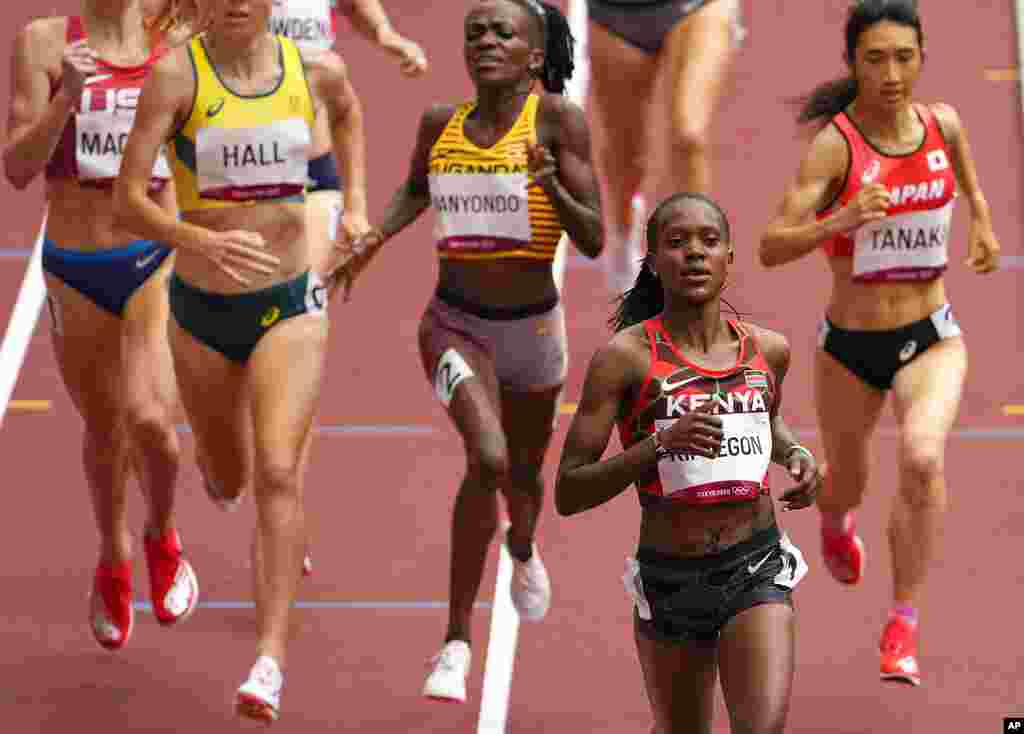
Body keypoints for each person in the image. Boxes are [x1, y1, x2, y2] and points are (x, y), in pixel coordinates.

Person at [333, 0, 603, 703]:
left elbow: (594, 236)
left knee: (523, 476)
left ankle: (523, 546)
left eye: (501, 32)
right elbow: (415, 191)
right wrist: (373, 240)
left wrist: (551, 185)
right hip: (454, 325)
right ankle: (455, 640)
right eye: (474, 32)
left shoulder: (558, 122)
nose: (485, 40)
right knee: (486, 458)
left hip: (534, 332)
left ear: (535, 56)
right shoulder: (439, 124)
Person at [113, 0, 370, 721]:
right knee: (227, 474)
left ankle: (268, 661)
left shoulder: (315, 71)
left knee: (279, 472)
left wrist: (354, 206)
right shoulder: (176, 78)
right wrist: (196, 240)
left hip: (289, 301)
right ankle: (214, 470)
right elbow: (129, 202)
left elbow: (349, 115)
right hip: (201, 311)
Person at [759, 0, 1000, 687]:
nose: (892, 74)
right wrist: (841, 219)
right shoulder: (836, 148)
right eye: (875, 59)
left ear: (922, 57)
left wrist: (983, 225)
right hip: (850, 347)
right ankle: (835, 522)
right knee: (846, 482)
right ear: (852, 63)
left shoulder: (943, 123)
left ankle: (903, 621)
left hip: (931, 336)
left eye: (904, 57)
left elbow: (969, 185)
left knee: (922, 457)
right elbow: (771, 246)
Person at [556, 192, 818, 734]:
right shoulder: (624, 359)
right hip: (670, 578)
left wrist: (796, 454)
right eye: (677, 243)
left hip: (755, 564)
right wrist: (660, 444)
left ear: (729, 257)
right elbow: (569, 491)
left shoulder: (769, 351)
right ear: (653, 262)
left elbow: (765, 421)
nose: (695, 253)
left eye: (709, 241)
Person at [3, 0, 199, 652]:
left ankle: (162, 533)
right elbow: (17, 168)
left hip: (152, 257)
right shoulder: (42, 43)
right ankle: (114, 554)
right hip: (75, 265)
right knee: (105, 426)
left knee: (151, 419)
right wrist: (66, 97)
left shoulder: (177, 34)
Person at [582, 0, 745, 294]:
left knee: (689, 136)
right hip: (615, 15)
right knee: (626, 157)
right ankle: (622, 235)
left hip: (698, 7)